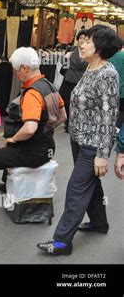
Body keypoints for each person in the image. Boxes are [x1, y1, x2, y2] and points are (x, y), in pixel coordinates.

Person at [38, 25, 122, 256]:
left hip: (92, 145)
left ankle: (62, 241)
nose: (81, 44)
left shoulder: (107, 74)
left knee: (76, 189)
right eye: (82, 40)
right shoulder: (91, 68)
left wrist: (103, 155)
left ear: (100, 48)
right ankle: (99, 223)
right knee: (90, 184)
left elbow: (108, 116)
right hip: (79, 139)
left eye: (88, 41)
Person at [0, 47, 66, 218]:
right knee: (9, 149)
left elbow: (30, 128)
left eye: (16, 70)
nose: (15, 74)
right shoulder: (49, 85)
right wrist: (45, 130)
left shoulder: (32, 93)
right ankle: (5, 183)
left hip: (32, 151)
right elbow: (63, 116)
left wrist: (14, 138)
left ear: (25, 68)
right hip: (47, 147)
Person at [58, 30, 88, 132]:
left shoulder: (90, 52)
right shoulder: (71, 49)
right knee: (65, 102)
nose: (82, 40)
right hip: (68, 79)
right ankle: (67, 122)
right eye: (81, 38)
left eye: (85, 39)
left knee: (78, 103)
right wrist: (66, 58)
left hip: (81, 81)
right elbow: (63, 65)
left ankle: (74, 123)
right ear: (78, 39)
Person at [109, 42, 124, 127]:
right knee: (121, 114)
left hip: (111, 90)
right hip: (122, 92)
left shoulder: (109, 56)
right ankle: (118, 134)